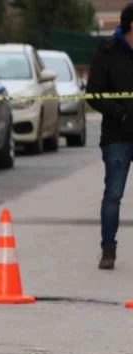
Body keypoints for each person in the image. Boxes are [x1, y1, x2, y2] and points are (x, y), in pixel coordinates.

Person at [86, 2, 133, 270]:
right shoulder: (107, 51)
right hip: (117, 135)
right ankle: (108, 248)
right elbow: (93, 94)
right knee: (113, 194)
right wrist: (120, 113)